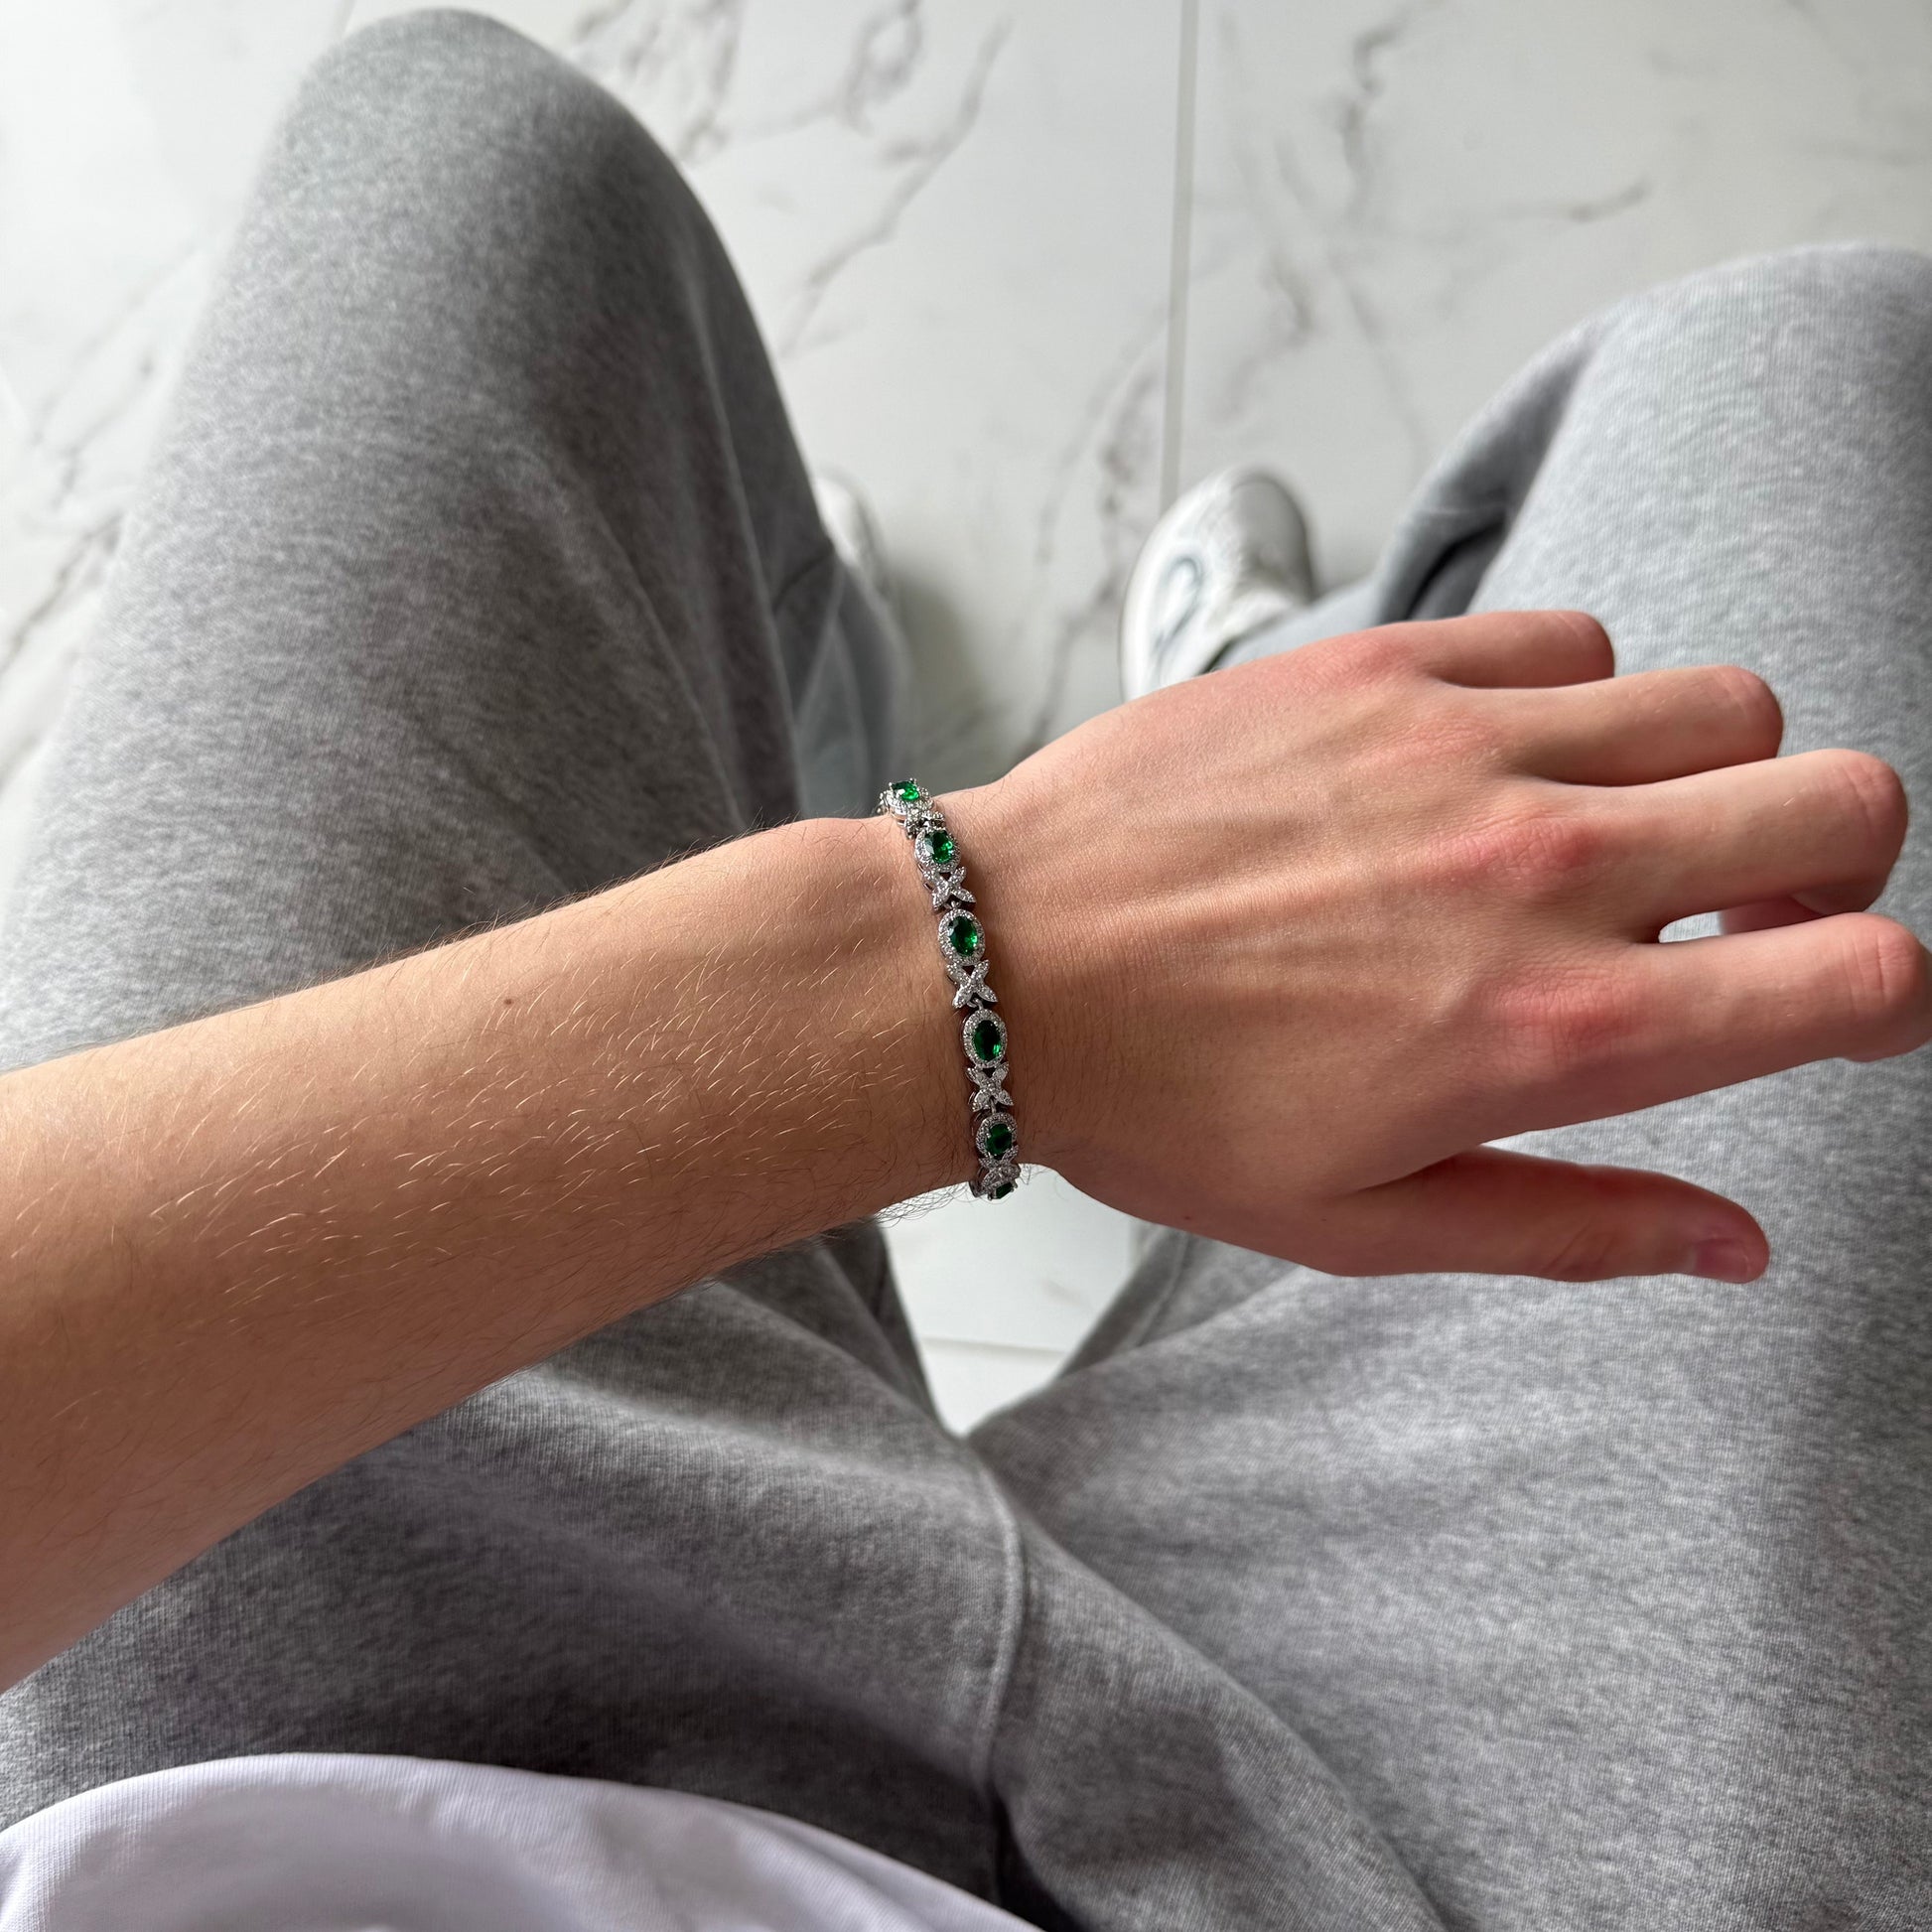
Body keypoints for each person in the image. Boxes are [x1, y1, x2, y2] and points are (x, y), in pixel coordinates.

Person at [1, 12, 1928, 1929]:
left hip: (242, 1749)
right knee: (1803, 363)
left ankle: (861, 718)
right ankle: (1187, 718)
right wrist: (985, 968)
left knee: (463, 155)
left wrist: (965, 944)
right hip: (1402, 1884)